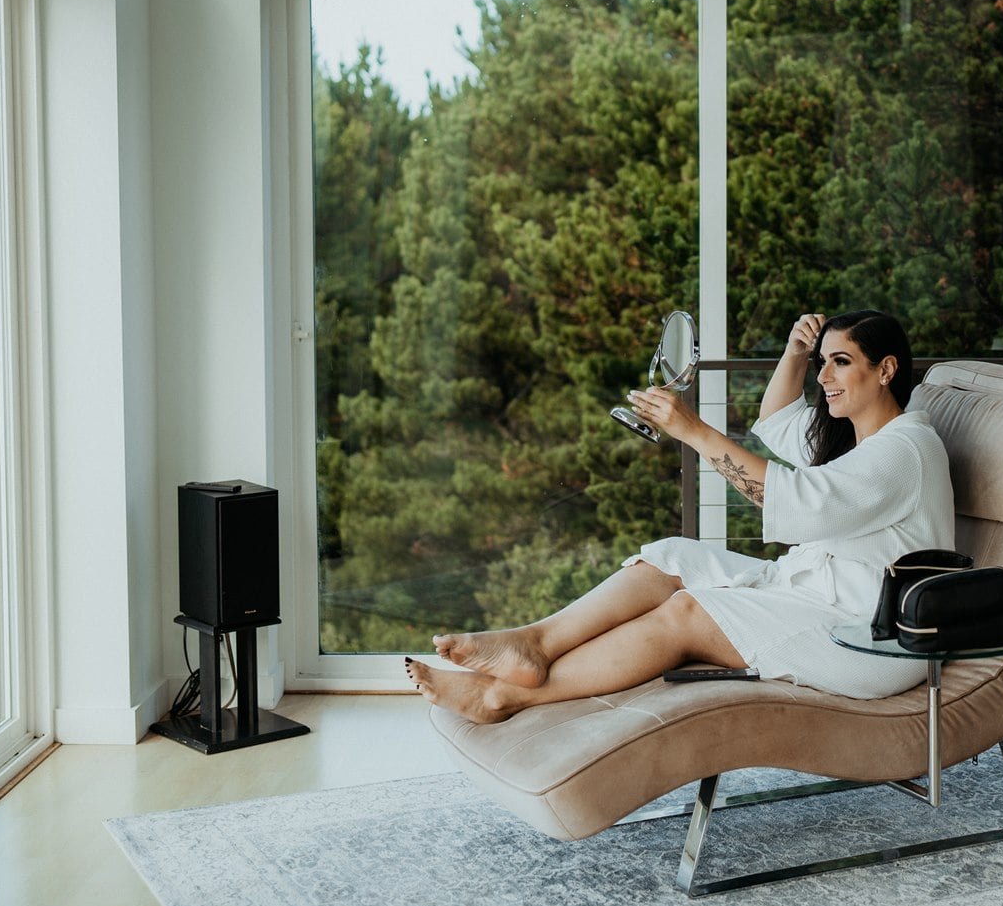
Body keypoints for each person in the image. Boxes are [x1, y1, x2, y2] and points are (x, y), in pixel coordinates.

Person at [406, 309, 957, 723]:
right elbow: (776, 419)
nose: (824, 378)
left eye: (841, 363)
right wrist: (795, 352)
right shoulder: (857, 441)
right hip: (815, 600)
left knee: (690, 611)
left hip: (869, 640)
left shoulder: (904, 450)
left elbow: (794, 500)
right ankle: (535, 643)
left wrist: (692, 431)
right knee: (670, 558)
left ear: (886, 369)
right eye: (823, 364)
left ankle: (505, 695)